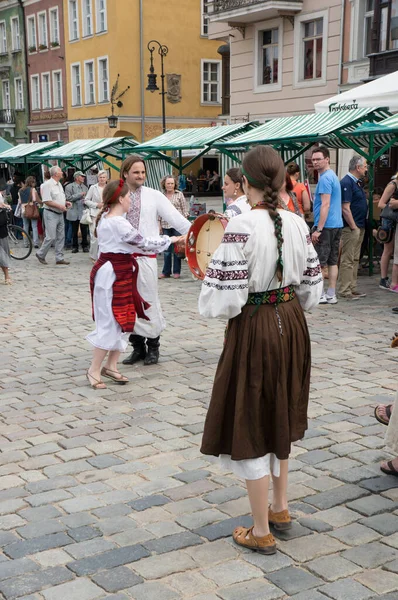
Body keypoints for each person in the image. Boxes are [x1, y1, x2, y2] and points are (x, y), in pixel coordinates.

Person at [198, 145, 323, 555]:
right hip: (292, 323)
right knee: (280, 412)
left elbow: (221, 300)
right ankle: (281, 508)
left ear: (246, 182)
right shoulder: (297, 223)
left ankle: (260, 529)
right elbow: (312, 289)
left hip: (255, 327)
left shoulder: (240, 226)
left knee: (251, 417)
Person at [86, 179, 179, 389]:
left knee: (124, 319)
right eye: (128, 197)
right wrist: (172, 240)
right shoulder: (117, 222)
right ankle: (93, 369)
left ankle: (110, 365)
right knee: (110, 321)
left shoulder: (112, 219)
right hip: (111, 276)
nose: (131, 201)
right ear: (120, 199)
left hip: (121, 272)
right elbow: (143, 243)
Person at [120, 155, 191, 366]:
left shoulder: (153, 196)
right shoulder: (118, 194)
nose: (141, 176)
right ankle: (137, 347)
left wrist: (197, 232)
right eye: (136, 172)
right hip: (123, 260)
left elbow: (176, 218)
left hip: (146, 259)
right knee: (127, 304)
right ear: (125, 173)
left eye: (143, 172)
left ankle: (153, 346)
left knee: (148, 302)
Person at [311, 146, 343, 305]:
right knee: (332, 261)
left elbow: (325, 204)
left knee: (320, 261)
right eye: (313, 159)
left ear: (327, 159)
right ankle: (331, 293)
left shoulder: (324, 178)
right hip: (336, 224)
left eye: (318, 159)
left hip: (326, 226)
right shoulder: (333, 176)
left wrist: (319, 229)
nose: (315, 162)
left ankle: (322, 294)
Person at [337, 155, 368, 300]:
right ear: (358, 167)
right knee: (348, 259)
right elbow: (345, 208)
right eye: (365, 166)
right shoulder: (347, 182)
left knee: (355, 259)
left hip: (359, 225)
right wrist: (354, 226)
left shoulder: (357, 182)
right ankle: (345, 289)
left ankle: (352, 287)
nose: (366, 169)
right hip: (351, 227)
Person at [36, 166, 71, 266]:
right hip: (50, 213)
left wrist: (65, 203)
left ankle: (59, 258)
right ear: (56, 174)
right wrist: (60, 206)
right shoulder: (47, 185)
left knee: (61, 236)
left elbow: (58, 198)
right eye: (60, 171)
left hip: (59, 212)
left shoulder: (59, 184)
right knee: (51, 236)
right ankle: (41, 253)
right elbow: (46, 200)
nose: (62, 172)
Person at [159, 175, 188, 279]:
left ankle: (176, 271)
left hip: (177, 225)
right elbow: (159, 212)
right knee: (166, 250)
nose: (170, 185)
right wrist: (159, 225)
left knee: (177, 249)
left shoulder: (179, 194)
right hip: (165, 224)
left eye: (172, 183)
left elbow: (185, 210)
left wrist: (185, 225)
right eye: (168, 183)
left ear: (175, 184)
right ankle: (166, 272)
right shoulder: (161, 196)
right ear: (164, 184)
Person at [378, 173, 398, 292]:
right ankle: (383, 278)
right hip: (389, 221)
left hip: (394, 220)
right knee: (388, 250)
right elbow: (381, 203)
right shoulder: (392, 185)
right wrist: (393, 206)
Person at [84, 169, 108, 261]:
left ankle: (103, 256)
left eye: (103, 177)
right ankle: (93, 256)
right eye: (100, 177)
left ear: (106, 178)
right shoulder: (93, 188)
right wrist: (96, 205)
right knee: (94, 236)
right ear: (98, 178)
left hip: (106, 214)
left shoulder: (109, 187)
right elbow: (86, 200)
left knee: (105, 236)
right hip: (94, 213)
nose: (102, 179)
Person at [65, 171, 89, 253]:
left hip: (83, 211)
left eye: (83, 176)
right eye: (82, 176)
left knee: (84, 230)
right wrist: (80, 195)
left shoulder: (85, 187)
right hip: (73, 211)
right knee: (74, 230)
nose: (83, 178)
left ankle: (85, 245)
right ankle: (75, 246)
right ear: (77, 177)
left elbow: (88, 198)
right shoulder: (69, 187)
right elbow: (68, 198)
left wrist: (85, 200)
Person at [18, 176, 40, 249]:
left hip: (24, 210)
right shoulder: (32, 190)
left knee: (25, 226)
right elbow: (34, 199)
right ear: (32, 182)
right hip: (32, 209)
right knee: (34, 226)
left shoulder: (20, 190)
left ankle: (25, 243)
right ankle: (36, 243)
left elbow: (20, 201)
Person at [0, 199, 12, 284]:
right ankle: (7, 276)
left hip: (1, 226)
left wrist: (5, 205)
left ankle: (7, 275)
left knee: (3, 252)